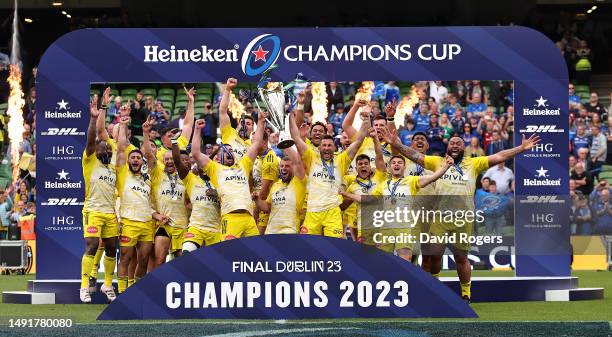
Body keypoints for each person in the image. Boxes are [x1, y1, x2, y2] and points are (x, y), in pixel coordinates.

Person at [383, 128, 541, 302]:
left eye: (459, 143)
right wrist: (396, 143)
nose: (455, 145)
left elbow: (500, 156)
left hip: (463, 219)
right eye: (452, 143)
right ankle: (434, 289)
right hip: (440, 218)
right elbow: (414, 155)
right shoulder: (437, 161)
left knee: (461, 258)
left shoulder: (474, 163)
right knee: (433, 255)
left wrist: (521, 148)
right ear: (447, 147)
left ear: (464, 147)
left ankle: (466, 294)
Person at [191, 92, 267, 241]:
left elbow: (257, 144)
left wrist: (262, 122)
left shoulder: (244, 161)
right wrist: (197, 130)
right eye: (226, 150)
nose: (230, 153)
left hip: (248, 212)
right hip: (230, 213)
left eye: (250, 123)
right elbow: (195, 153)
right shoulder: (217, 163)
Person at [290, 106, 370, 238]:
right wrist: (290, 118)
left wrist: (366, 120)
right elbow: (296, 138)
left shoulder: (341, 160)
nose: (326, 148)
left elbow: (358, 141)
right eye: (324, 145)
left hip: (333, 212)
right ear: (319, 147)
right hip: (312, 212)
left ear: (334, 147)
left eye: (329, 146)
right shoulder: (311, 157)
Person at [79, 95, 118, 303]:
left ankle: (107, 284)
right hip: (93, 211)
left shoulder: (112, 168)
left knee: (112, 248)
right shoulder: (89, 161)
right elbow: (91, 138)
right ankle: (84, 286)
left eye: (110, 148)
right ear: (96, 149)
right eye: (105, 147)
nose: (108, 150)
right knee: (92, 245)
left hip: (110, 213)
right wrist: (94, 118)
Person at [115, 114, 156, 294]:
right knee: (125, 258)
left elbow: (150, 154)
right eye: (133, 158)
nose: (135, 160)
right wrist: (123, 125)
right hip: (129, 222)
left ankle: (134, 290)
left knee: (144, 260)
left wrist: (146, 134)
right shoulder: (123, 173)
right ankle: (123, 293)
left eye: (138, 158)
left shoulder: (148, 175)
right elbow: (122, 147)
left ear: (142, 161)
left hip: (147, 223)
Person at [142, 116, 190, 268]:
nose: (169, 161)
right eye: (166, 159)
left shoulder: (185, 176)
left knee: (181, 264)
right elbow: (149, 155)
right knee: (160, 261)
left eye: (172, 159)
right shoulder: (157, 173)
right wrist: (145, 133)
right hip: (163, 223)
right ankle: (157, 290)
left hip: (181, 224)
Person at [171, 133, 221, 252]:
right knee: (187, 252)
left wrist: (218, 195)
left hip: (215, 230)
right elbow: (177, 162)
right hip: (196, 228)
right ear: (196, 167)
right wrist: (174, 142)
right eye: (200, 165)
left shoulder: (220, 180)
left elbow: (230, 202)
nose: (203, 168)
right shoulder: (191, 179)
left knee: (214, 265)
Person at [256, 147, 306, 234]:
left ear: (293, 168)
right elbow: (267, 208)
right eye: (282, 166)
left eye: (287, 166)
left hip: (290, 231)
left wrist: (287, 147)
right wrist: (256, 199)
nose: (284, 168)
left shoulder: (299, 182)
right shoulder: (275, 185)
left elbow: (298, 163)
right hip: (271, 232)